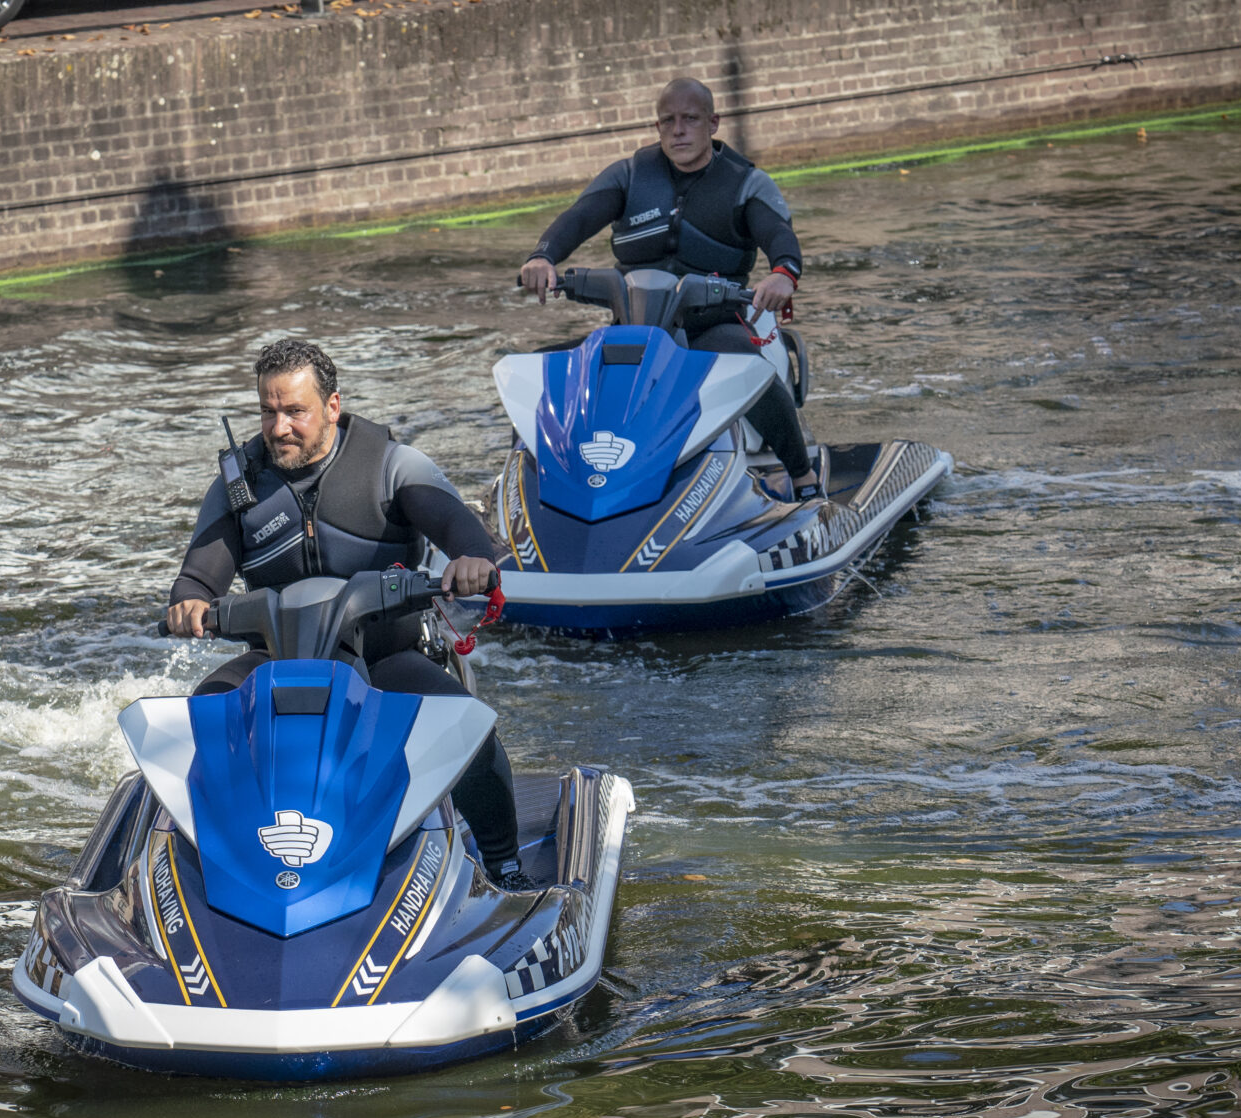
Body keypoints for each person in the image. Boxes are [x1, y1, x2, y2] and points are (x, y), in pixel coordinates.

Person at [165, 338, 530, 889]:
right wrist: (188, 603)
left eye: (295, 411)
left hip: (387, 659)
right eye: (268, 411)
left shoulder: (391, 465)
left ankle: (506, 865)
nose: (279, 427)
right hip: (274, 663)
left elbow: (461, 528)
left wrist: (473, 559)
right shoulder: (237, 487)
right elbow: (197, 579)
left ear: (332, 407)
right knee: (197, 724)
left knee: (468, 730)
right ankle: (191, 876)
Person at [518, 77, 821, 497]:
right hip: (633, 326)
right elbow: (579, 217)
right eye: (668, 121)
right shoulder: (628, 175)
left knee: (749, 369)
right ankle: (527, 487)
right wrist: (543, 256)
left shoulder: (747, 182)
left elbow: (779, 238)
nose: (678, 130)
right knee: (543, 371)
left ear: (713, 123)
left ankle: (803, 475)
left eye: (690, 119)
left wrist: (783, 273)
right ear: (657, 127)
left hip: (711, 325)